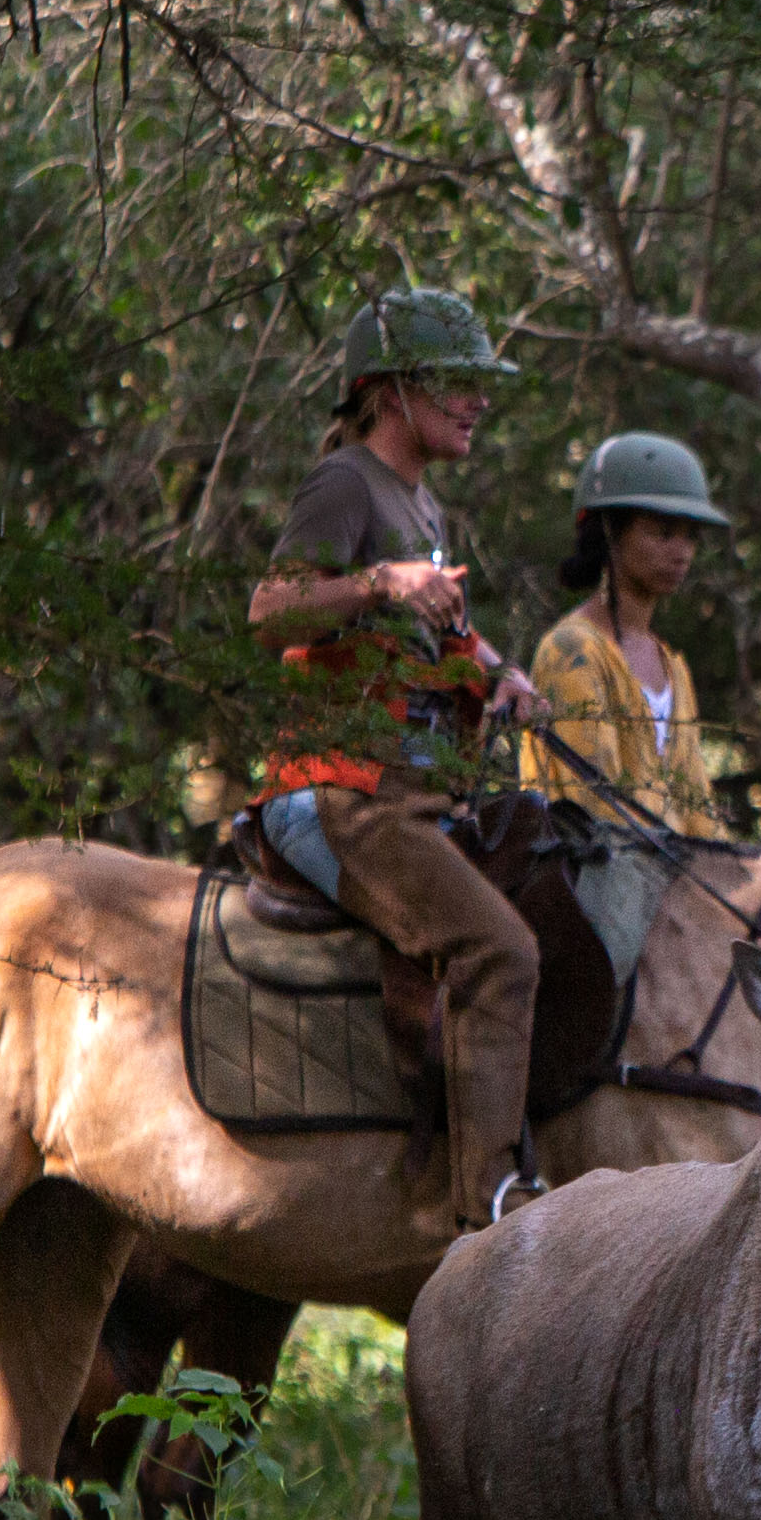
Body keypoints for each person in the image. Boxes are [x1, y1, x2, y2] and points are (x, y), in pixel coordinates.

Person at [247, 286, 550, 1232]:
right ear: (389, 392)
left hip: (407, 797)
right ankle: (488, 1208)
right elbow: (269, 611)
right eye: (454, 382)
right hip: (338, 793)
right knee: (500, 951)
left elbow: (438, 632)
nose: (477, 401)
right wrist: (380, 580)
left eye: (477, 385)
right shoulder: (346, 482)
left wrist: (498, 673)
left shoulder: (422, 501)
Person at [521, 431, 735, 836]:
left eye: (691, 536)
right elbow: (594, 810)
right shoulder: (573, 650)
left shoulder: (671, 666)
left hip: (672, 870)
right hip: (595, 866)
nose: (682, 552)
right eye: (663, 532)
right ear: (609, 531)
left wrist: (739, 864)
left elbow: (698, 810)